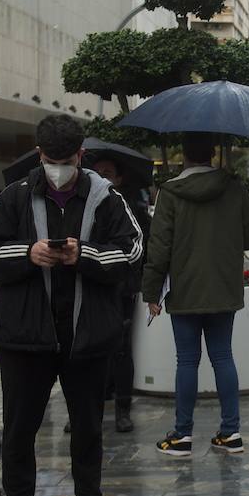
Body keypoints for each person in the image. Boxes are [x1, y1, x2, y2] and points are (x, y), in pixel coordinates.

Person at [0, 114, 142, 496]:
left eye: (66, 160)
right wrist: (27, 253)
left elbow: (132, 251)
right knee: (19, 427)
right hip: (27, 336)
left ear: (80, 156)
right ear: (38, 154)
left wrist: (82, 254)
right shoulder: (14, 195)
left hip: (86, 336)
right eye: (50, 160)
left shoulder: (106, 198)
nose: (58, 169)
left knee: (87, 426)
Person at [144, 133, 249, 459]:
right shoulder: (234, 189)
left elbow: (159, 246)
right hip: (223, 289)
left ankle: (181, 436)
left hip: (185, 290)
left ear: (183, 156)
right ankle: (230, 432)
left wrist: (152, 291)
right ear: (213, 154)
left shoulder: (170, 193)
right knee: (223, 357)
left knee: (187, 361)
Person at [87, 155, 152, 434]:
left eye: (109, 172)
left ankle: (123, 409)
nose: (103, 176)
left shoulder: (131, 208)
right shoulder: (82, 204)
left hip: (122, 288)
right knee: (87, 350)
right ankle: (88, 407)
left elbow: (141, 249)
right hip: (89, 286)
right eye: (98, 171)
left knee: (122, 349)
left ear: (119, 178)